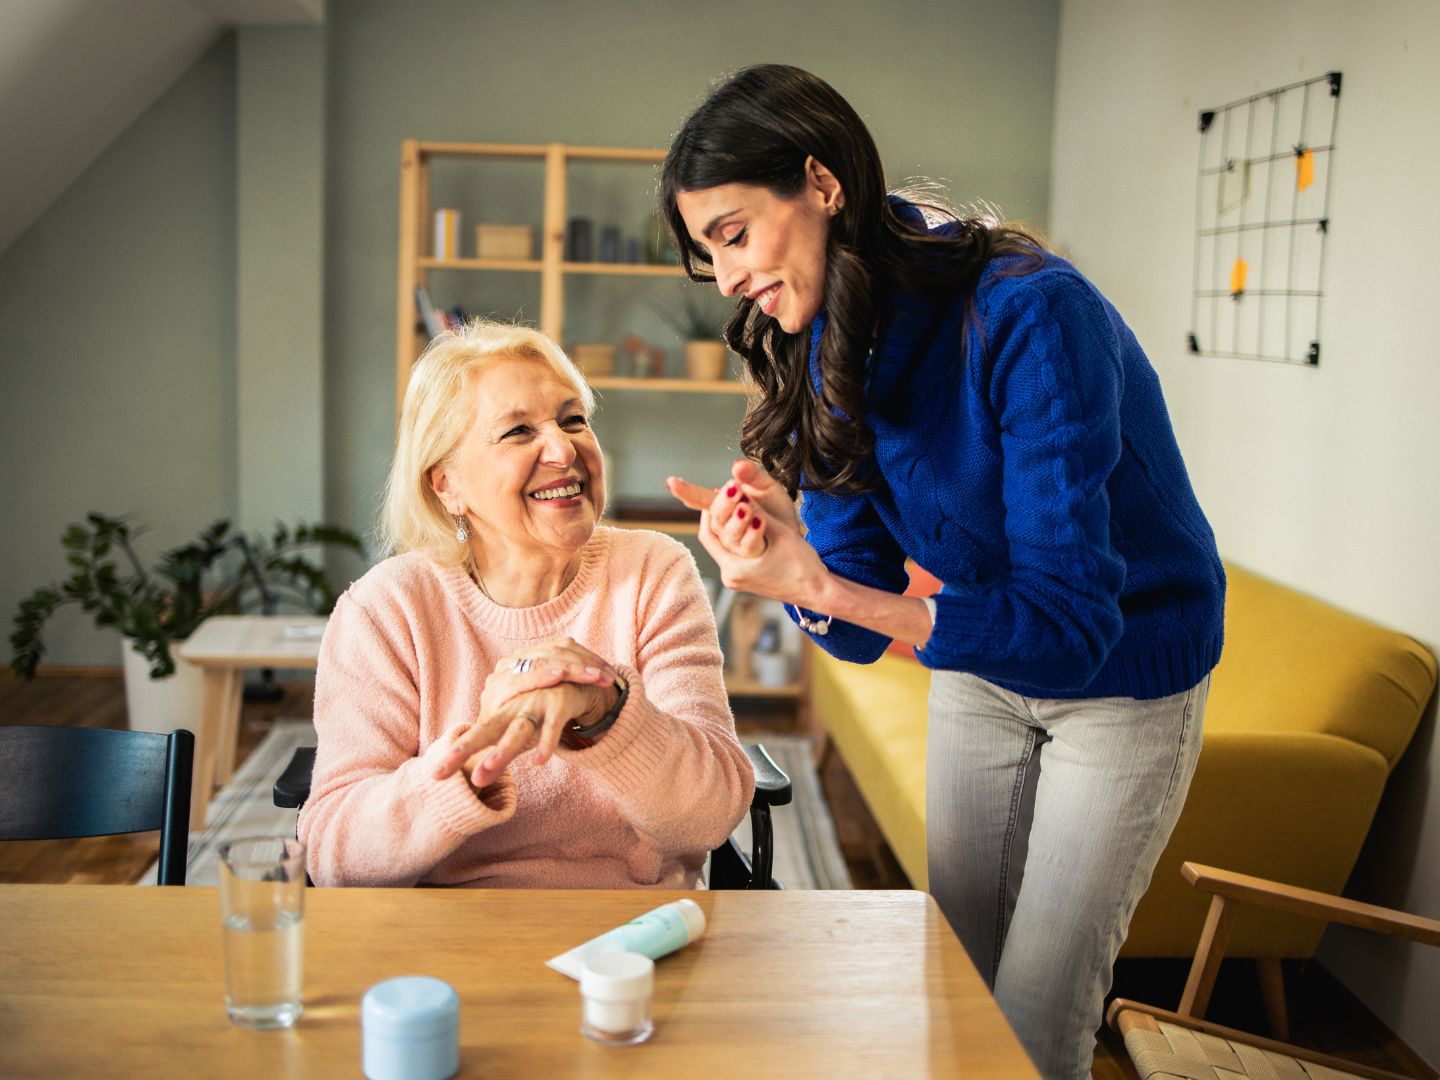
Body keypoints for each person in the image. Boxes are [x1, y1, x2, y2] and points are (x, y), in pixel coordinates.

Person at [660, 64, 1224, 1078]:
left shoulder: (1033, 314)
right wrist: (794, 564)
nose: (729, 278)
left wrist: (823, 588)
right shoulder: (821, 336)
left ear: (822, 183)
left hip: (1126, 671)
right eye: (712, 255)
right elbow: (857, 623)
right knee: (954, 978)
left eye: (735, 235)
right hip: (983, 654)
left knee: (1037, 1019)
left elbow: (1071, 628)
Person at [299, 319, 754, 890]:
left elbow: (711, 816)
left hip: (635, 925)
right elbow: (333, 855)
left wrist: (606, 711)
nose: (564, 449)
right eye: (518, 431)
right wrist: (465, 768)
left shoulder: (653, 572)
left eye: (573, 420)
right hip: (450, 926)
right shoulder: (387, 609)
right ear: (446, 485)